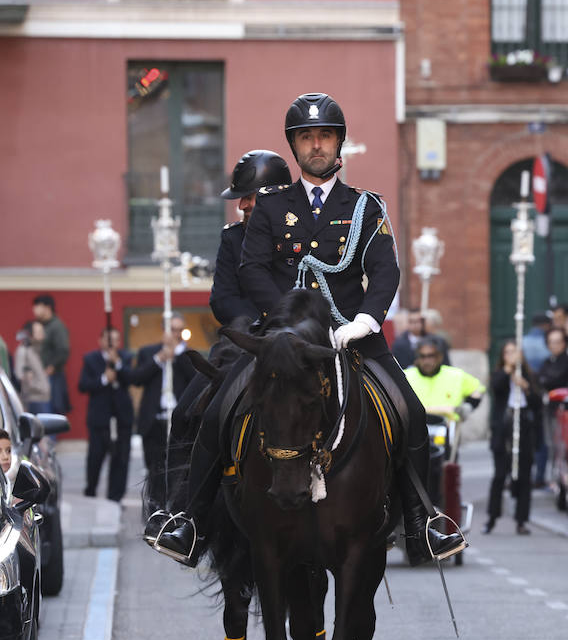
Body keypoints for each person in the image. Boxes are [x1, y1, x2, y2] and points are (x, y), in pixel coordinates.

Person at [147, 92, 464, 568]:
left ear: (340, 144)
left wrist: (366, 320)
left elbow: (384, 271)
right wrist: (290, 324)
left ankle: (422, 523)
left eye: (325, 136)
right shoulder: (273, 207)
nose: (317, 146)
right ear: (294, 148)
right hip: (284, 340)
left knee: (411, 411)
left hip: (352, 337)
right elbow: (252, 268)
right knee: (216, 412)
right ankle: (189, 520)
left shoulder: (366, 207)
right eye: (307, 138)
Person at [210, 150, 294, 326]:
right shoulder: (233, 238)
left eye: (248, 198)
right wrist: (261, 325)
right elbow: (223, 300)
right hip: (249, 334)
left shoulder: (303, 232)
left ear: (274, 197)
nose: (241, 206)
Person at [130, 315, 194, 507]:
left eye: (179, 330)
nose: (176, 334)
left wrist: (179, 355)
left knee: (178, 468)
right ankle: (154, 508)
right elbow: (137, 378)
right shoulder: (148, 352)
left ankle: (174, 507)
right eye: (173, 329)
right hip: (154, 419)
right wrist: (160, 359)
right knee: (154, 467)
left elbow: (195, 379)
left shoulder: (187, 355)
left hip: (178, 421)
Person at [485, 340, 542, 534]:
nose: (511, 355)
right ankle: (492, 517)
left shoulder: (529, 375)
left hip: (524, 429)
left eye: (514, 352)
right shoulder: (500, 374)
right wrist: (508, 370)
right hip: (504, 430)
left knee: (524, 477)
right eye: (507, 352)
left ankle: (521, 520)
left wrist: (525, 386)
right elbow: (496, 387)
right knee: (500, 475)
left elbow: (537, 402)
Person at [77, 328, 134, 503]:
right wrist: (103, 379)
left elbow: (132, 378)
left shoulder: (125, 357)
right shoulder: (90, 359)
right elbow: (83, 385)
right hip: (100, 417)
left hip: (121, 416)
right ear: (100, 341)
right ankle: (91, 490)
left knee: (121, 458)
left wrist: (117, 364)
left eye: (115, 340)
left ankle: (115, 496)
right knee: (95, 456)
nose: (112, 344)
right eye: (108, 340)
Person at [402, 336, 484, 423]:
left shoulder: (456, 375)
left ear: (440, 356)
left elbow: (478, 389)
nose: (426, 361)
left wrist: (468, 406)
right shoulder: (405, 376)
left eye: (431, 356)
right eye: (422, 356)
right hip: (414, 428)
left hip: (447, 430)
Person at [535, 326, 568, 488]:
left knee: (559, 444)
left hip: (562, 409)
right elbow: (541, 380)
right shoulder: (548, 361)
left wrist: (547, 381)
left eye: (558, 342)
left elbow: (555, 379)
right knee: (548, 442)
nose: (554, 345)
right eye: (551, 342)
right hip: (548, 409)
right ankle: (549, 476)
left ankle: (558, 478)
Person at [32, 294, 71, 415]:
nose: (34, 310)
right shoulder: (39, 325)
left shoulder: (56, 326)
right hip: (38, 378)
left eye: (37, 306)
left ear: (47, 307)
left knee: (48, 416)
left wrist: (51, 368)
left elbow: (63, 350)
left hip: (50, 377)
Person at [14, 320, 52, 413]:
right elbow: (20, 374)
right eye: (39, 332)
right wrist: (36, 386)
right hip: (33, 399)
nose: (42, 335)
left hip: (43, 398)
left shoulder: (35, 350)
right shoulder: (24, 351)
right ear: (30, 334)